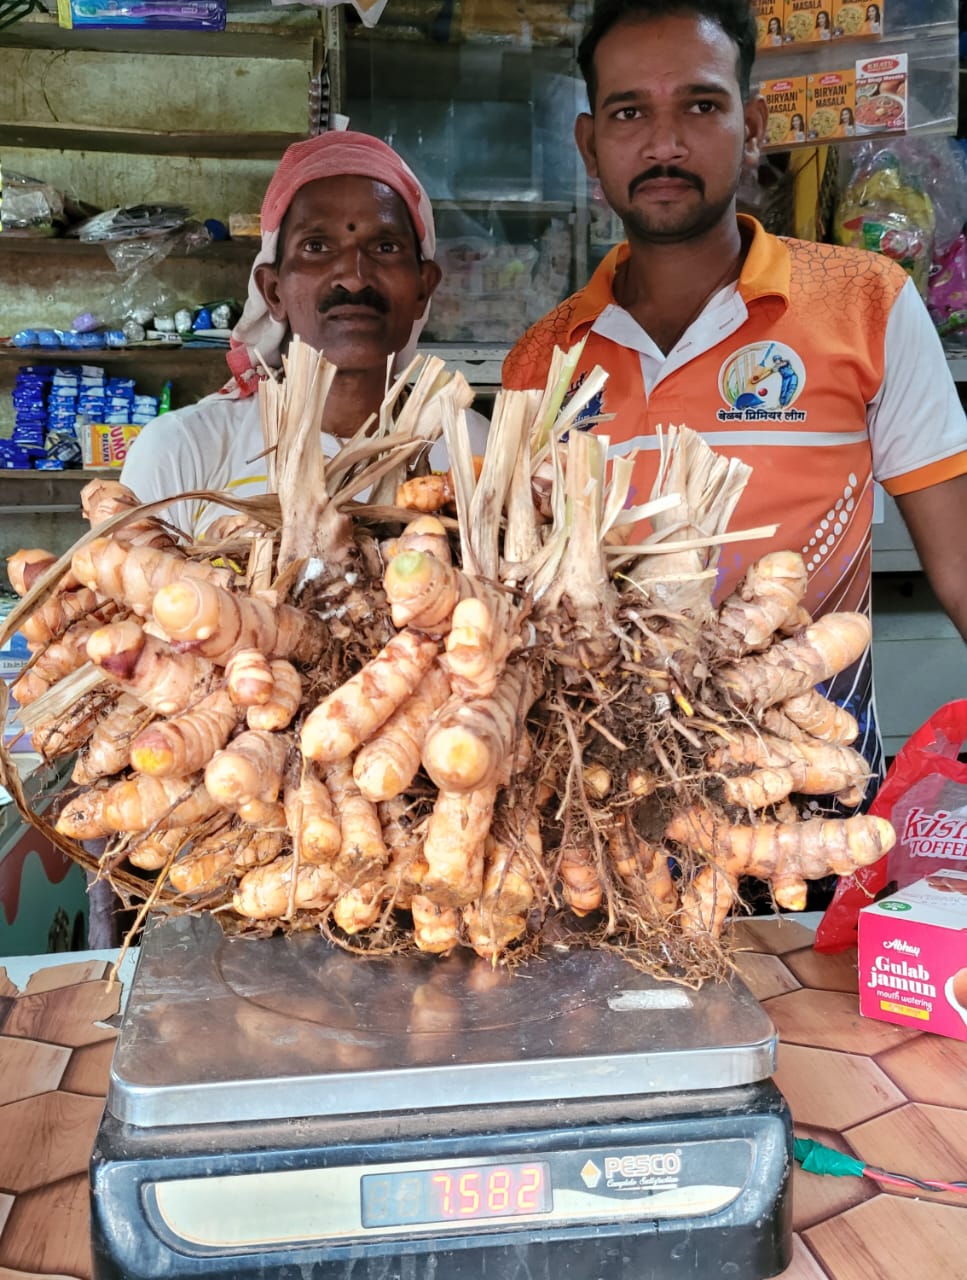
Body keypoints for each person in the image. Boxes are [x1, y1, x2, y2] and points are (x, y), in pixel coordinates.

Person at [503, 0, 967, 804]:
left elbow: (960, 567)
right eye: (628, 112)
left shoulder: (867, 305)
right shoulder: (544, 360)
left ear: (752, 128)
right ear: (589, 146)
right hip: (602, 798)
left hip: (811, 782)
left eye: (700, 105)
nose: (664, 142)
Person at [122, 130, 486, 538]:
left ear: (423, 289)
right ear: (273, 290)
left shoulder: (475, 451)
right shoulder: (182, 451)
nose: (353, 276)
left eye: (385, 247)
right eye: (317, 246)